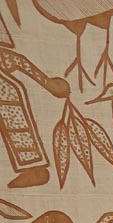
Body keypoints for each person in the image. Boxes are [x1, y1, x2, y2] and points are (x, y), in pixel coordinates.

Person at [0, 18, 69, 188]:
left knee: (14, 120)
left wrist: (48, 83)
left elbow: (19, 62)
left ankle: (33, 169)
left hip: (6, 93)